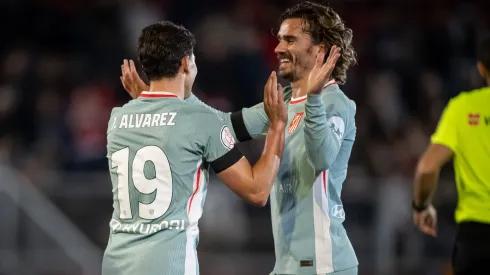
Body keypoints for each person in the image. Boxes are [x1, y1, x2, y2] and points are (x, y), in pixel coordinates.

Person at [121, 2, 358, 274]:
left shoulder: (335, 103)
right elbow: (221, 126)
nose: (278, 48)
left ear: (320, 51)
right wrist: (161, 100)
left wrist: (314, 99)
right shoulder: (286, 101)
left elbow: (322, 157)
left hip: (325, 264)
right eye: (279, 40)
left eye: (290, 40)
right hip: (290, 266)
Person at [102, 21, 291, 275]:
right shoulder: (199, 122)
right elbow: (257, 191)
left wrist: (144, 96)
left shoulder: (117, 119)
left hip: (116, 264)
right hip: (168, 265)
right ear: (184, 64)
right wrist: (278, 126)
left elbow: (167, 123)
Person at [412, 35, 490, 275]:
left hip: (476, 238)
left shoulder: (463, 108)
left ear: (481, 67)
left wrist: (421, 206)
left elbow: (427, 168)